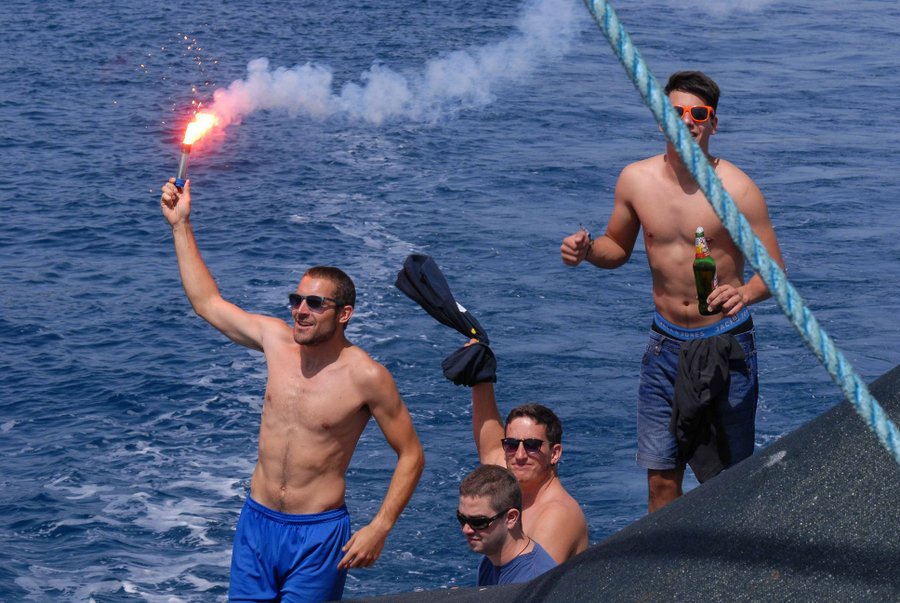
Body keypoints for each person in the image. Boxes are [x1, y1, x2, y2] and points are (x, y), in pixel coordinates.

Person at [159, 178, 425, 602]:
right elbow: (207, 303)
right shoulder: (275, 341)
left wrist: (380, 526)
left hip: (317, 535)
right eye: (297, 299)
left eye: (315, 304)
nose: (301, 310)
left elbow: (411, 453)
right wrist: (180, 225)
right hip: (257, 524)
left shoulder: (366, 376)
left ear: (345, 315)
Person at [560, 71, 786, 513]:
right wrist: (587, 251)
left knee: (729, 481)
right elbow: (617, 248)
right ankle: (665, 579)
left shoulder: (737, 189)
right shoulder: (635, 181)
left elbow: (774, 273)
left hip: (726, 344)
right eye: (676, 111)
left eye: (698, 113)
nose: (687, 120)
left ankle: (727, 572)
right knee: (662, 480)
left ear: (713, 123)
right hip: (665, 347)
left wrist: (745, 293)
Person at [470, 376, 588, 563]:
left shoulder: (556, 516)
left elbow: (530, 586)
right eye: (511, 444)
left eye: (532, 445)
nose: (520, 455)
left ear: (555, 453)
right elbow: (489, 449)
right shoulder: (521, 479)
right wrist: (480, 380)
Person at [457, 464, 557, 586]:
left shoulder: (534, 581)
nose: (466, 529)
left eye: (478, 522)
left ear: (511, 518)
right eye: (461, 518)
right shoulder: (491, 558)